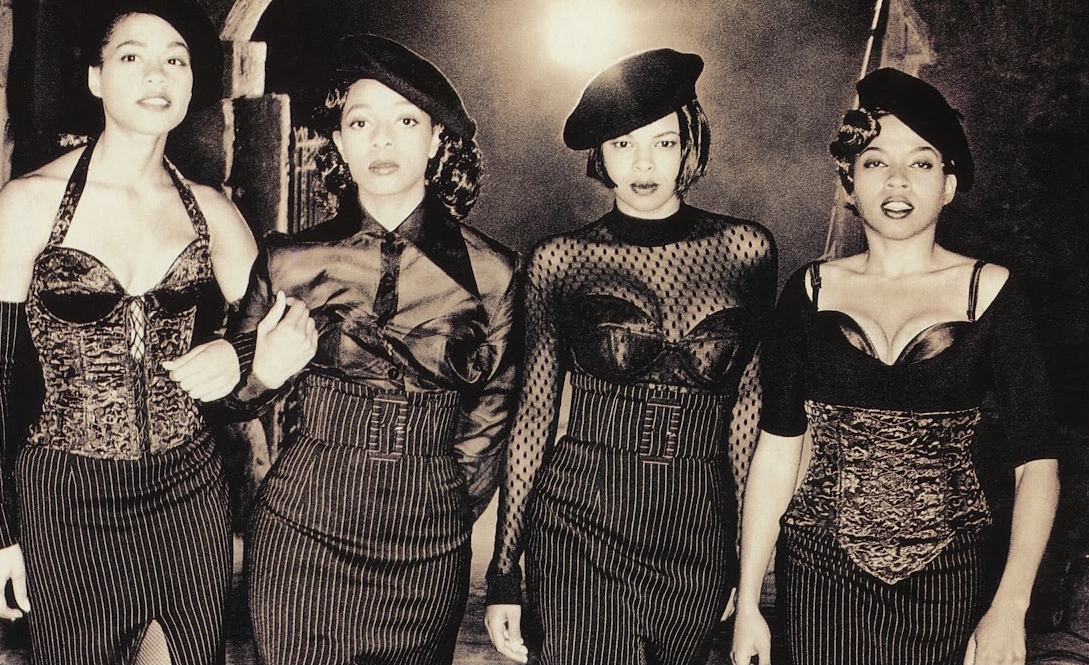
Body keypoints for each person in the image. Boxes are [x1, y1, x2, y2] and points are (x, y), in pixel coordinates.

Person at [0, 1, 314, 662]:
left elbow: (290, 331)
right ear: (95, 78)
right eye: (132, 56)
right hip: (68, 496)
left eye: (175, 59)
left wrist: (242, 357)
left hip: (190, 493)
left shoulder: (212, 214)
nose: (157, 74)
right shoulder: (28, 204)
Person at [730, 68, 1060, 665]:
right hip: (820, 576)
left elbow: (1036, 464)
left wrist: (1010, 607)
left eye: (922, 162)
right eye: (877, 162)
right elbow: (778, 451)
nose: (898, 180)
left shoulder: (995, 292)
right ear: (850, 183)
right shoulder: (808, 291)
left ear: (948, 185)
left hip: (950, 579)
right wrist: (750, 600)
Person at [222, 34, 520, 664]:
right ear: (338, 140)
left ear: (436, 140)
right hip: (302, 531)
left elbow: (493, 417)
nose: (382, 140)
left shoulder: (495, 272)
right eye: (361, 122)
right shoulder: (287, 261)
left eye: (405, 121)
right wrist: (261, 375)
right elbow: (226, 404)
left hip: (428, 542)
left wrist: (440, 506)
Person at [484, 48, 776, 665]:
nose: (643, 163)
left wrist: (742, 559)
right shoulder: (561, 259)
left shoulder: (746, 249)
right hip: (580, 517)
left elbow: (748, 411)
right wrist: (505, 572)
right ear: (601, 154)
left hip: (697, 525)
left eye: (663, 143)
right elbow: (532, 415)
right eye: (623, 144)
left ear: (689, 143)